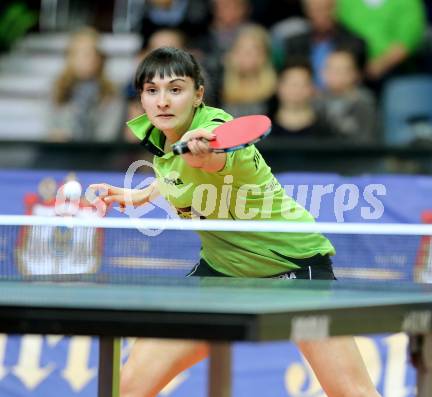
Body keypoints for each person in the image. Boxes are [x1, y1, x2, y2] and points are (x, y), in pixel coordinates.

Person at [89, 47, 381, 397]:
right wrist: (141, 194)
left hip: (294, 270)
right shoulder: (164, 142)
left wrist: (204, 153)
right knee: (128, 388)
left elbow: (211, 160)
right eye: (152, 91)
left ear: (198, 94)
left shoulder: (214, 131)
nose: (163, 101)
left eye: (175, 89)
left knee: (354, 393)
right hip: (221, 273)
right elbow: (177, 174)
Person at [48, 27, 125, 142]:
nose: (88, 59)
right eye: (80, 53)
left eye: (92, 53)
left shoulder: (112, 92)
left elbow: (107, 137)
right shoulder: (57, 89)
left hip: (98, 156)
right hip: (61, 154)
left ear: (100, 58)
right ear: (70, 57)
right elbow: (51, 129)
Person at [319, 48, 377, 142]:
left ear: (355, 74)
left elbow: (366, 138)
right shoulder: (315, 101)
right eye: (331, 68)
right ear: (322, 73)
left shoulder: (363, 102)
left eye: (342, 70)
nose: (336, 74)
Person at [270, 57, 334, 140]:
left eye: (303, 84)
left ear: (312, 88)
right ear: (278, 87)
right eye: (292, 84)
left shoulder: (326, 131)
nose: (297, 90)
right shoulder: (263, 130)